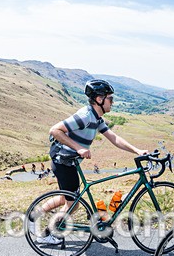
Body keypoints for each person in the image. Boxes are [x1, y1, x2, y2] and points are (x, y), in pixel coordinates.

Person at [27, 79, 147, 244]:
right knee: (73, 203)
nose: (113, 102)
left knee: (66, 198)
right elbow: (55, 130)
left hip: (68, 161)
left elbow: (114, 138)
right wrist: (79, 148)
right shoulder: (86, 116)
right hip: (63, 161)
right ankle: (49, 234)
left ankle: (34, 215)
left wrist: (137, 151)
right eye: (110, 99)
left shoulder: (96, 119)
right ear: (99, 99)